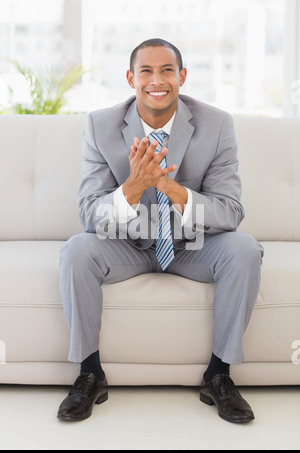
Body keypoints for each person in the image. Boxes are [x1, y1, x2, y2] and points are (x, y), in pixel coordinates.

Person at [58, 38, 264, 423]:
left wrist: (174, 190)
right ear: (130, 78)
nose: (157, 80)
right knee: (76, 250)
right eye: (146, 71)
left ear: (182, 76)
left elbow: (231, 211)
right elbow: (90, 215)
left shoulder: (216, 124)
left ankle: (219, 374)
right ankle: (89, 373)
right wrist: (133, 188)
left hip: (192, 245)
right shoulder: (100, 125)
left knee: (245, 249)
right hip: (126, 246)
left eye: (167, 70)